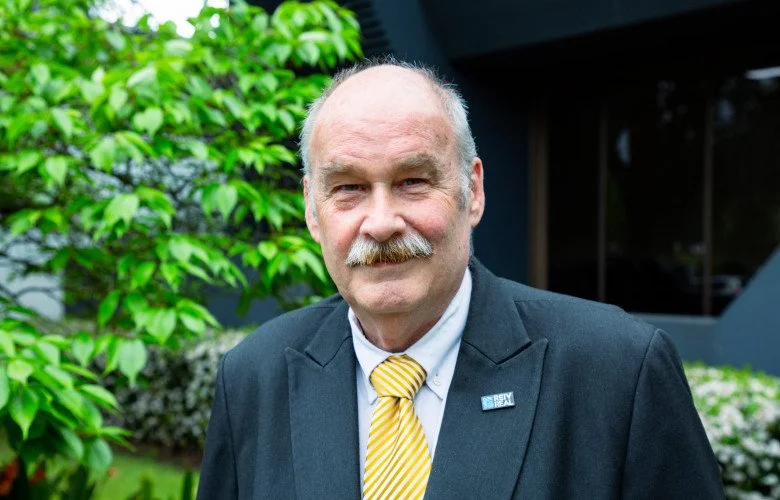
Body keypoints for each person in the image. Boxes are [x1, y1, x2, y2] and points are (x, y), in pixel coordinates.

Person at [196, 58, 724, 499]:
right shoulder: (252, 379)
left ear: (473, 190)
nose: (381, 223)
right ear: (313, 210)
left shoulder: (618, 374)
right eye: (349, 188)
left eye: (413, 181)